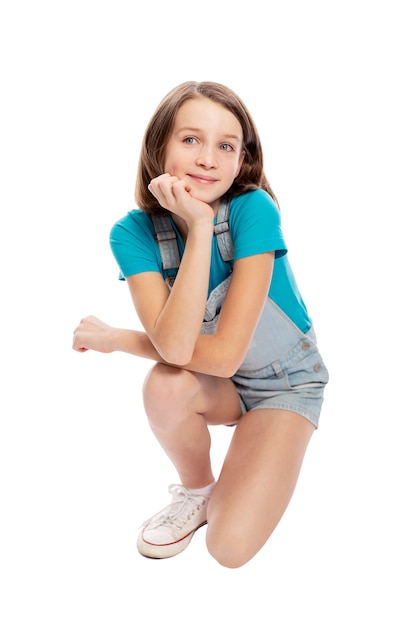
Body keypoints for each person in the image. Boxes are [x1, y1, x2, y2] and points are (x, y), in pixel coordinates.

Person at [72, 81, 329, 569]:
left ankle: (263, 444)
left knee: (227, 549)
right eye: (191, 140)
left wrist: (118, 339)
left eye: (225, 146)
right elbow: (174, 347)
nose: (208, 158)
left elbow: (227, 353)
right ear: (159, 147)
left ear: (240, 162)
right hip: (220, 386)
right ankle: (197, 491)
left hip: (284, 384)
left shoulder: (254, 209)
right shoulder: (131, 233)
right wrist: (196, 229)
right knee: (166, 386)